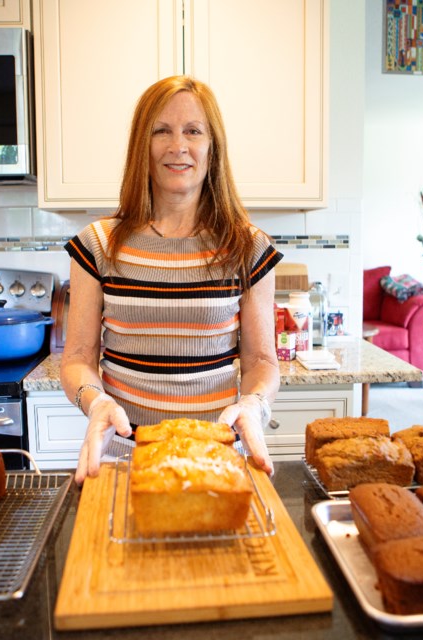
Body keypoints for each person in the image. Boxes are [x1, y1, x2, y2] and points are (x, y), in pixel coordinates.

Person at [62, 75, 283, 484]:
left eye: (193, 131)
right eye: (161, 130)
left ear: (212, 147)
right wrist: (96, 404)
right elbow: (77, 358)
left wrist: (254, 405)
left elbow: (261, 363)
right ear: (141, 147)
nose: (177, 146)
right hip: (124, 457)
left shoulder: (247, 247)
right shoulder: (97, 245)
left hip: (214, 459)